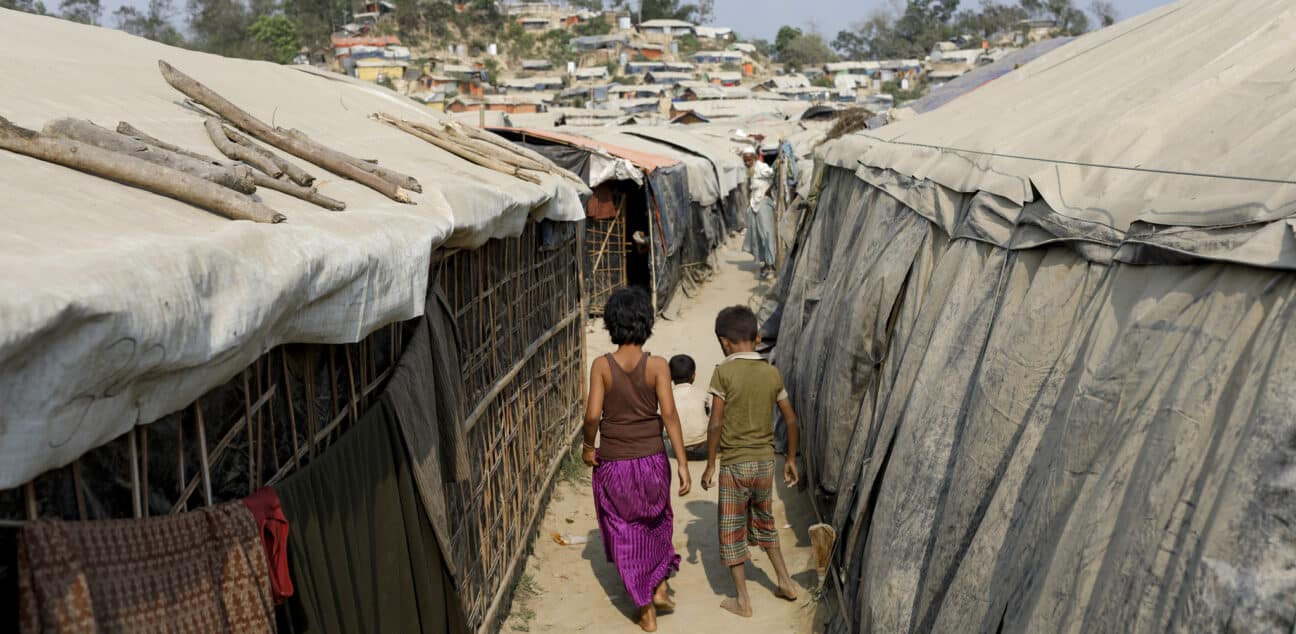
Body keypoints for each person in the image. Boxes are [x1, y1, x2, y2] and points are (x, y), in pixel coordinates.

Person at [582, 287, 693, 632]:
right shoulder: (658, 366)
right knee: (658, 519)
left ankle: (645, 608)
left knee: (624, 530)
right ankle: (659, 585)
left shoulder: (602, 366)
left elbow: (592, 415)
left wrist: (589, 446)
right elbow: (670, 415)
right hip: (653, 460)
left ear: (611, 324)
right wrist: (683, 463)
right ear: (646, 324)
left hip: (615, 462)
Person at [700, 305, 800, 618]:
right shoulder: (771, 372)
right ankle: (785, 581)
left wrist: (711, 463)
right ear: (756, 338)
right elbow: (791, 420)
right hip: (764, 463)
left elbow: (715, 423)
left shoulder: (723, 372)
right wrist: (792, 458)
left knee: (731, 528)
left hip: (735, 464)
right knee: (765, 521)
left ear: (724, 342)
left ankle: (743, 600)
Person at [741, 146, 777, 280]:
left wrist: (770, 189)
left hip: (763, 203)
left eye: (749, 160)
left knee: (767, 235)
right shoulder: (750, 170)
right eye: (745, 160)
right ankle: (765, 263)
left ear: (755, 158)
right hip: (754, 204)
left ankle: (772, 265)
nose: (747, 162)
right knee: (758, 235)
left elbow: (774, 174)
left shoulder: (761, 167)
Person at [665, 354, 710, 461]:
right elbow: (708, 413)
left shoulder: (667, 396)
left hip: (677, 449)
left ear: (670, 376)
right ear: (693, 376)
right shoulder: (702, 394)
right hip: (703, 447)